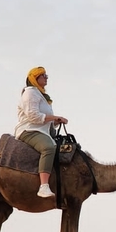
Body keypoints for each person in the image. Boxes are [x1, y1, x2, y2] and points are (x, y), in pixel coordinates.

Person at [15, 66, 68, 198]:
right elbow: (33, 116)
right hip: (30, 130)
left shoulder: (42, 96)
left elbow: (46, 120)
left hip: (43, 131)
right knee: (49, 147)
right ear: (35, 78)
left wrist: (56, 121)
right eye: (43, 75)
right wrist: (55, 117)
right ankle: (43, 186)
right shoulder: (30, 93)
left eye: (46, 75)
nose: (46, 78)